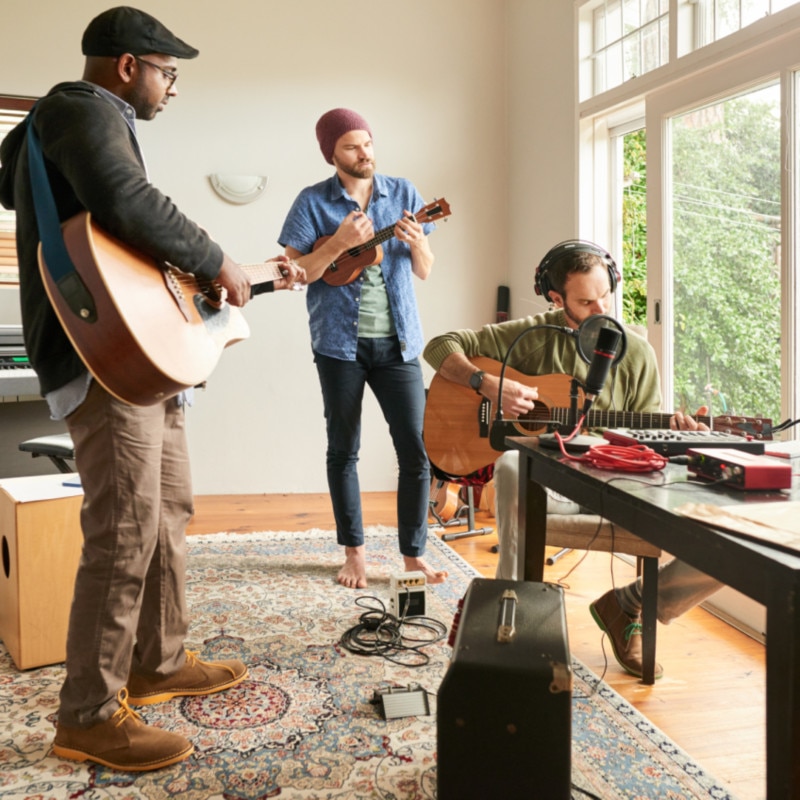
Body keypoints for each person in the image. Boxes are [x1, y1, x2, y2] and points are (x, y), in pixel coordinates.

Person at [0, 6, 304, 773]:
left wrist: (242, 277)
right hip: (103, 363)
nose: (173, 89)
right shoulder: (79, 107)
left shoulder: (61, 123)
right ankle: (89, 716)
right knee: (124, 530)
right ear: (128, 65)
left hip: (135, 358)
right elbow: (124, 200)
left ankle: (158, 661)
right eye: (169, 73)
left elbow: (112, 225)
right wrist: (216, 255)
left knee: (167, 508)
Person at [423, 240, 724, 679]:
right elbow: (439, 345)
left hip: (619, 487)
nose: (601, 308)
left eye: (606, 295)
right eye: (586, 301)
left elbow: (648, 444)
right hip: (552, 487)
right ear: (556, 298)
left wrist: (677, 437)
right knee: (510, 465)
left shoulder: (637, 354)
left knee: (722, 528)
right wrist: (485, 382)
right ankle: (514, 607)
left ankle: (632, 603)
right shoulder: (535, 337)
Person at [278, 108, 447, 590]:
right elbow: (296, 273)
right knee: (343, 449)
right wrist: (336, 244)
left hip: (399, 344)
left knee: (415, 450)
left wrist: (418, 243)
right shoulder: (312, 203)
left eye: (368, 142)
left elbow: (425, 270)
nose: (365, 152)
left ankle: (413, 554)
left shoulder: (404, 194)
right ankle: (354, 554)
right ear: (332, 152)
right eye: (352, 146)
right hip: (338, 345)